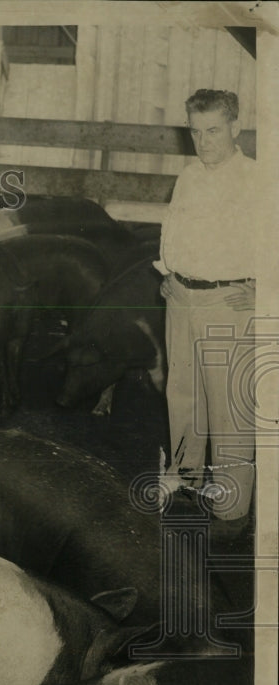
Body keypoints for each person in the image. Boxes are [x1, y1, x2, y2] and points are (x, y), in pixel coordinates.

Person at [154, 89, 258, 527]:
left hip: (227, 302)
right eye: (196, 132)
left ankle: (230, 509)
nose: (204, 141)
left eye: (213, 130)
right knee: (183, 397)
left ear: (236, 126)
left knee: (229, 406)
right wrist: (170, 274)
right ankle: (187, 484)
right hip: (182, 298)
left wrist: (264, 293)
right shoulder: (188, 177)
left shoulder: (258, 179)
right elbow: (176, 232)